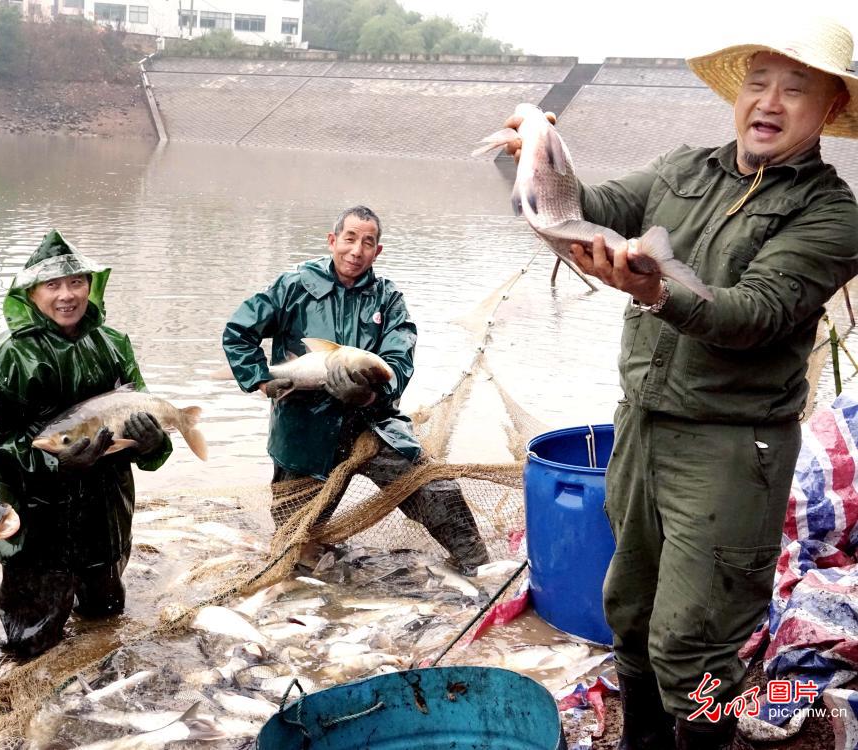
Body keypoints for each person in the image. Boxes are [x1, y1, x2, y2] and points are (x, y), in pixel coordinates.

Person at [503, 18, 858, 750]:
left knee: (694, 648)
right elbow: (585, 211)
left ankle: (707, 739)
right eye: (758, 82)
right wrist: (536, 157)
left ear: (827, 109)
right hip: (641, 427)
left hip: (732, 451)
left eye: (796, 89)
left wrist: (656, 291)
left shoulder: (832, 215)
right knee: (629, 613)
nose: (770, 100)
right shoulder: (681, 170)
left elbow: (756, 312)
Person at [222, 205, 489, 575]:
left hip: (373, 423)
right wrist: (263, 380)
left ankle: (479, 567)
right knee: (296, 547)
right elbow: (238, 332)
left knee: (437, 493)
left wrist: (369, 396)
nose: (356, 250)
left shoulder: (388, 299)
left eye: (368, 242)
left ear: (377, 251)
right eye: (349, 239)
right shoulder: (293, 286)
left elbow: (399, 362)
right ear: (333, 241)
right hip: (303, 432)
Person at [0, 230, 170, 658]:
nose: (66, 295)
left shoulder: (113, 344)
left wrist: (152, 444)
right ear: (31, 293)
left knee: (106, 618)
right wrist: (53, 466)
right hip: (37, 521)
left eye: (76, 283)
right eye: (52, 285)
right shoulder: (6, 355)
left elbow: (143, 408)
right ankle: (28, 704)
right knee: (31, 640)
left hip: (106, 512)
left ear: (91, 287)